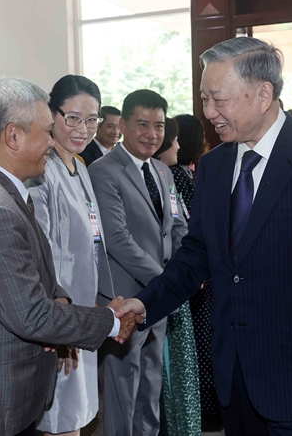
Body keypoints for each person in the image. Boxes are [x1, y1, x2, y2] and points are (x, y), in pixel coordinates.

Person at [116, 37, 292, 435]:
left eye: (218, 100)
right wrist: (144, 301)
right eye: (204, 100)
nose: (208, 113)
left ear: (262, 93)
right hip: (234, 379)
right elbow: (197, 254)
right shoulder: (215, 165)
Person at [0, 77, 142, 436]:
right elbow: (31, 314)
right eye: (48, 132)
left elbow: (37, 264)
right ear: (13, 137)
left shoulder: (4, 188)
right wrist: (110, 322)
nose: (52, 142)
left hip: (15, 375)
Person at [88, 90, 189, 436]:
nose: (152, 134)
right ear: (123, 125)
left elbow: (177, 226)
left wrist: (181, 271)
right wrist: (169, 282)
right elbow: (117, 241)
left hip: (157, 302)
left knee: (150, 387)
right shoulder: (103, 172)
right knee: (121, 394)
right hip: (125, 300)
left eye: (159, 126)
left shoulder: (163, 171)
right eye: (142, 124)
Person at [26, 75, 115, 436]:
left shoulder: (79, 166)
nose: (84, 129)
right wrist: (58, 323)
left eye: (92, 119)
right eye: (73, 118)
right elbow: (40, 250)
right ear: (52, 113)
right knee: (62, 417)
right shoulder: (41, 170)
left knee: (78, 414)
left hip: (83, 308)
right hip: (61, 312)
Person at [152, 117, 201, 436]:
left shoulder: (167, 175)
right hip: (160, 281)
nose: (179, 147)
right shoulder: (156, 174)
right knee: (163, 369)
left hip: (178, 276)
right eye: (175, 141)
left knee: (180, 367)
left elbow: (181, 223)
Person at [171, 114, 220, 419]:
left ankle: (211, 403)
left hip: (204, 266)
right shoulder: (177, 175)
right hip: (194, 265)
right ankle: (205, 406)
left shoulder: (188, 174)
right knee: (201, 340)